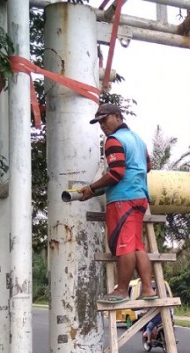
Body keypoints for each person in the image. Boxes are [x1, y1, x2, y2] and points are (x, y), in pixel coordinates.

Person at [79, 103, 157, 304]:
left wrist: (92, 188)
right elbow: (147, 166)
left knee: (124, 246)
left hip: (123, 199)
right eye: (99, 122)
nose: (102, 126)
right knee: (137, 245)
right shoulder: (138, 140)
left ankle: (121, 290)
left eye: (105, 120)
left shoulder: (114, 140)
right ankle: (148, 289)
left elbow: (116, 173)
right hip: (139, 196)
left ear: (117, 116)